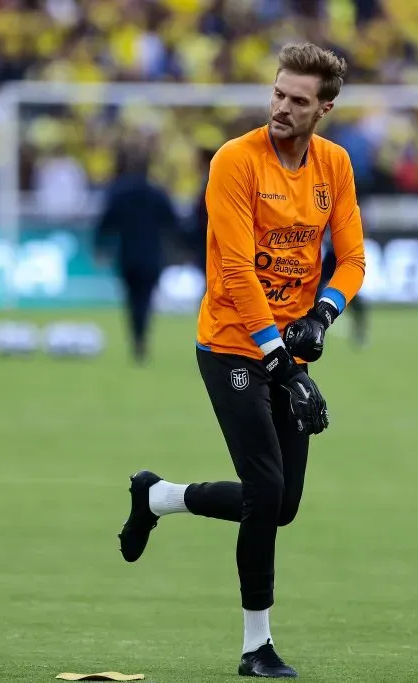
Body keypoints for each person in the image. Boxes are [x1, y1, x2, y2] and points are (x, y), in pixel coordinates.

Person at [117, 43, 366, 678]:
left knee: (281, 505)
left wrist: (323, 315)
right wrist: (281, 362)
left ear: (325, 108)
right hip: (232, 342)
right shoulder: (235, 161)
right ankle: (256, 647)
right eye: (278, 93)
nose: (282, 107)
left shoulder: (334, 165)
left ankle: (159, 498)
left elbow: (354, 259)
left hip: (286, 347)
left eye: (299, 100)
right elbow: (233, 271)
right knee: (266, 488)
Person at [94, 138, 180, 364]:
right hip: (151, 255)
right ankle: (141, 338)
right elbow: (173, 222)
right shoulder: (156, 193)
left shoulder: (119, 193)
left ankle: (136, 338)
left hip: (127, 255)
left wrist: (100, 247)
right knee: (146, 299)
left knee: (132, 299)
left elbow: (105, 223)